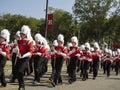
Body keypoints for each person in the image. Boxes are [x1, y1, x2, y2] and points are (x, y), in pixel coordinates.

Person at [16, 25, 34, 90]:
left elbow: (31, 51)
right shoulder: (18, 41)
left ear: (26, 34)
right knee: (18, 72)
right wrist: (16, 50)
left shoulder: (29, 41)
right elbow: (16, 48)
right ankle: (21, 86)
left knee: (20, 71)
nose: (21, 35)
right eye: (21, 34)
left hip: (25, 58)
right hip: (19, 57)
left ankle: (22, 86)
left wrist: (23, 55)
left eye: (23, 34)